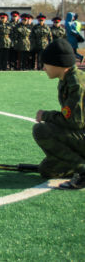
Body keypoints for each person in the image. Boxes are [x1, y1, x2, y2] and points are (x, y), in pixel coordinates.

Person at [32, 39, 85, 189]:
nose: (44, 68)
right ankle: (75, 165)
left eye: (46, 64)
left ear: (59, 64)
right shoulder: (67, 78)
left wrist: (46, 115)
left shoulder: (76, 84)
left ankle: (82, 168)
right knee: (47, 170)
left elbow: (75, 122)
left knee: (41, 130)